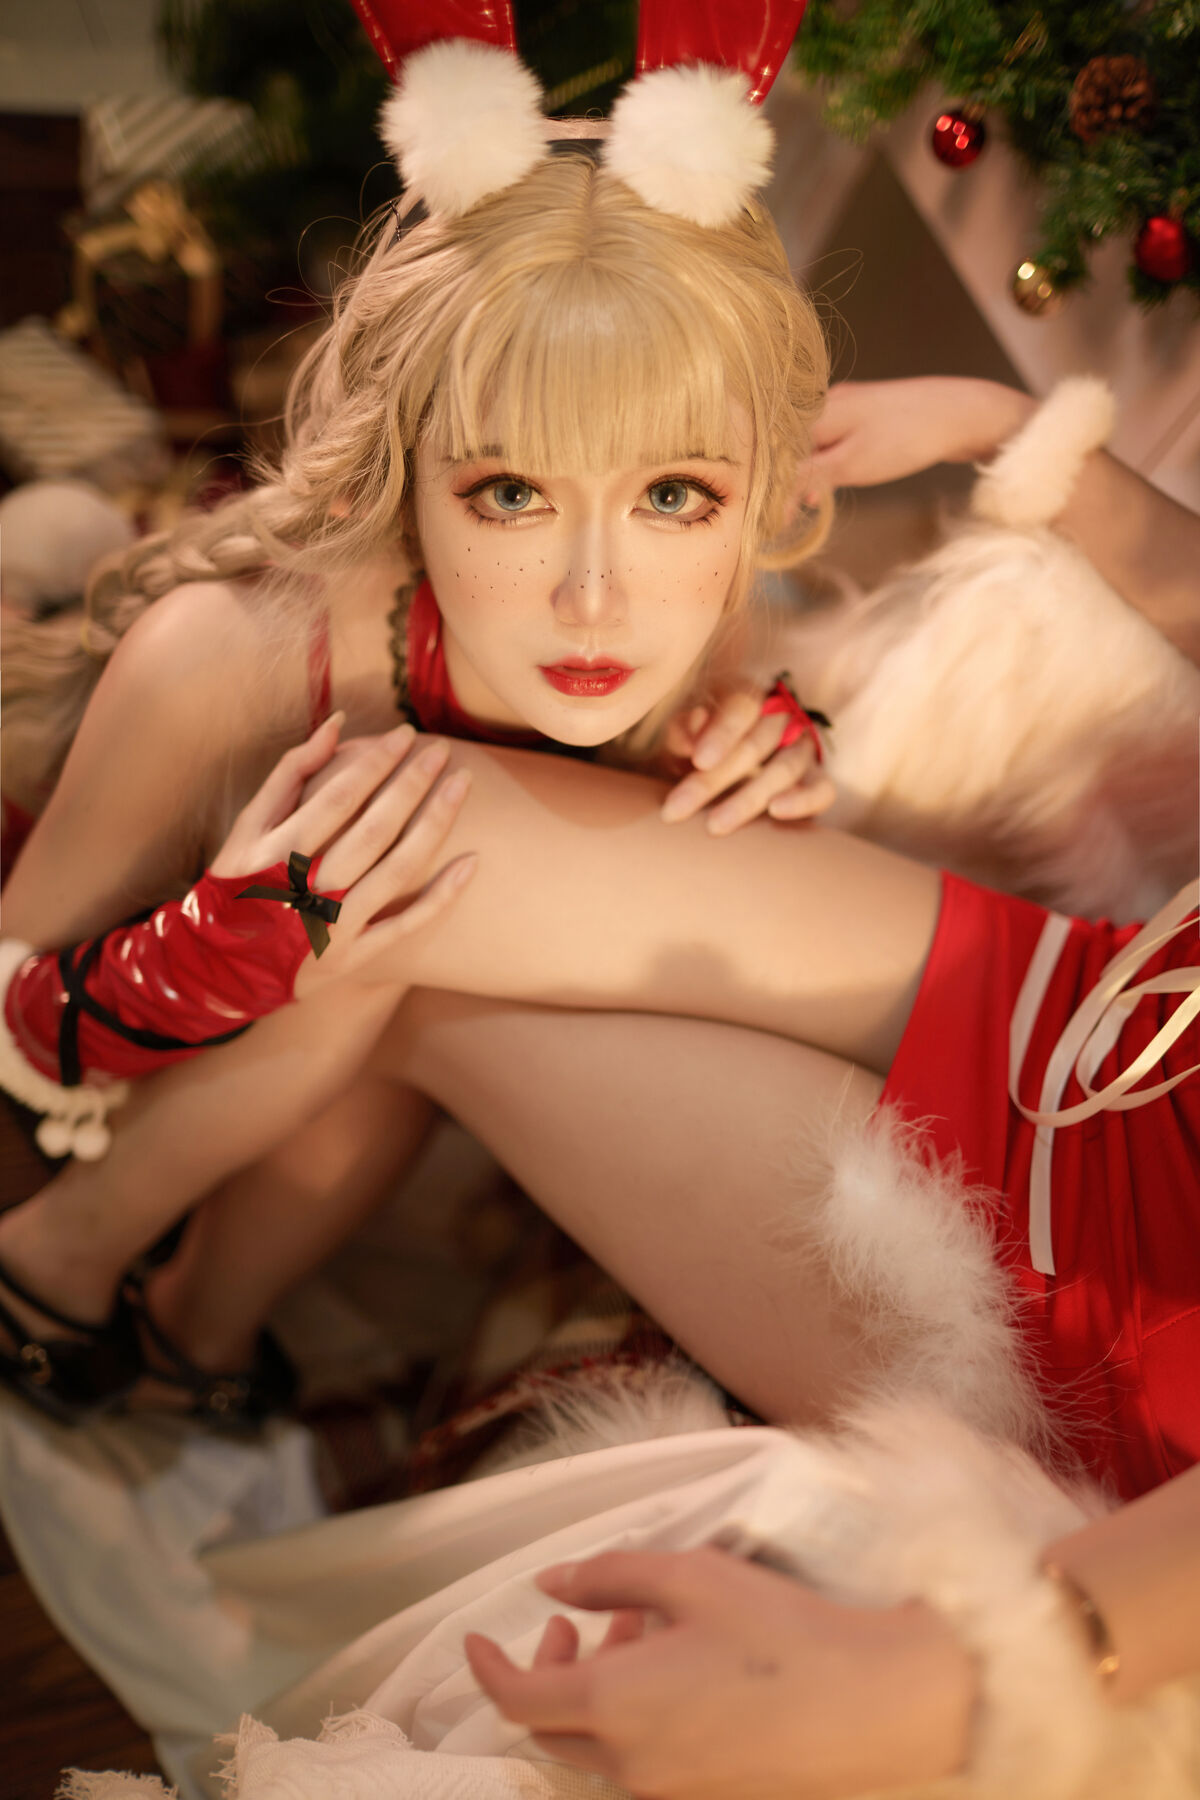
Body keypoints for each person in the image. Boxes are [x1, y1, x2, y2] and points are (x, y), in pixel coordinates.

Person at [0, 24, 838, 1419]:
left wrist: (770, 746)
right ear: (403, 465)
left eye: (673, 495)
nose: (593, 601)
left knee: (408, 909)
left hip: (339, 1137)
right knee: (385, 898)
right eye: (511, 492)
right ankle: (75, 1282)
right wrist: (197, 963)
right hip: (81, 1122)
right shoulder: (228, 658)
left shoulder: (702, 625)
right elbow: (8, 1041)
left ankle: (200, 1344)